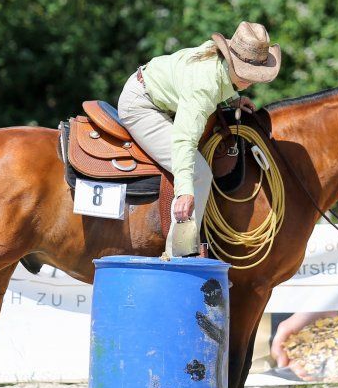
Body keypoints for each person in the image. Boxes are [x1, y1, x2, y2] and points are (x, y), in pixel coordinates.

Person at [118, 21, 281, 254]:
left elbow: (219, 83)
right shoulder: (204, 87)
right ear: (231, 60)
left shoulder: (217, 61)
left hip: (156, 92)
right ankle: (181, 252)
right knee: (199, 173)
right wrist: (185, 190)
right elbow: (184, 139)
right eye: (248, 74)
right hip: (140, 106)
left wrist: (232, 98)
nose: (252, 80)